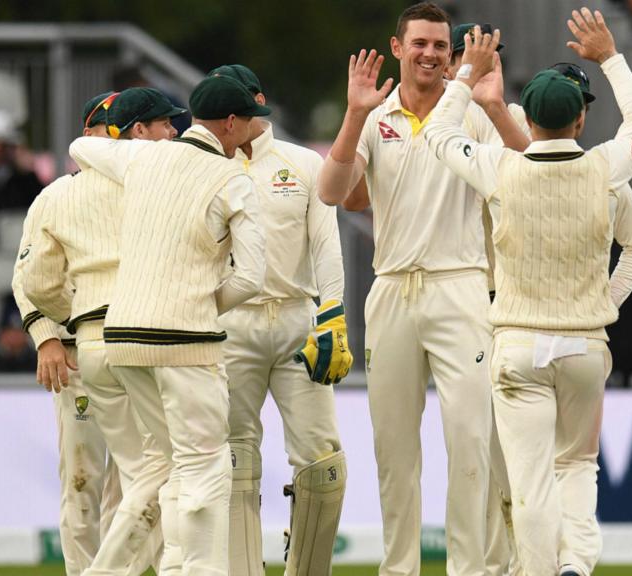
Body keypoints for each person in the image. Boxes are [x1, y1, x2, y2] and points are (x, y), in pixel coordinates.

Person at [425, 9, 632, 575]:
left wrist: (465, 75)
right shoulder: (606, 170)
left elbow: (437, 133)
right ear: (580, 120)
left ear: (535, 122)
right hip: (582, 346)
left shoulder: (501, 170)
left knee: (528, 477)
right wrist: (609, 58)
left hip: (520, 346)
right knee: (575, 466)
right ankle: (575, 563)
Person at [317, 3, 529, 574]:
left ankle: (469, 568)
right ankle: (399, 568)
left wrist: (490, 102)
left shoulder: (474, 110)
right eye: (421, 44)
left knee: (470, 442)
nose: (431, 54)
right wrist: (353, 116)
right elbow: (332, 192)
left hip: (461, 286)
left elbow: (533, 168)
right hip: (392, 290)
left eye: (441, 45)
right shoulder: (376, 112)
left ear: (450, 53)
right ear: (397, 47)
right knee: (394, 450)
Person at [69, 74, 267, 575]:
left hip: (124, 339)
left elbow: (80, 145)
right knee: (206, 469)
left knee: (174, 467)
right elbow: (253, 276)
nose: (253, 130)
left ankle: (168, 568)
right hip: (185, 340)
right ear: (229, 123)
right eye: (248, 121)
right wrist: (202, 303)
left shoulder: (143, 156)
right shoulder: (231, 178)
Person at [23, 88, 185, 575]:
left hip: (99, 339)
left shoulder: (150, 185)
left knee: (136, 479)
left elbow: (36, 280)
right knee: (84, 480)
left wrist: (75, 318)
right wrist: (50, 335)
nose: (172, 133)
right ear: (95, 133)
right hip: (83, 350)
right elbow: (24, 278)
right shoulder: (56, 194)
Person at [205, 64, 350, 576]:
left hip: (295, 320)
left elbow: (327, 246)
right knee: (233, 458)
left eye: (234, 114)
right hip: (229, 323)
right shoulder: (201, 165)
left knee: (322, 463)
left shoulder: (301, 163)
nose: (227, 126)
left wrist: (332, 316)